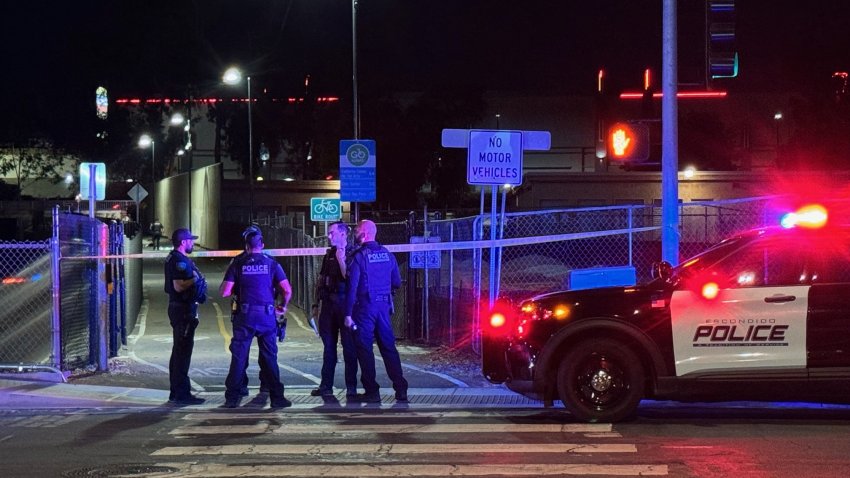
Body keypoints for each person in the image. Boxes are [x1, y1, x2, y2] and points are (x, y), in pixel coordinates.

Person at [220, 229, 292, 409]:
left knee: (238, 357)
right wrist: (282, 306)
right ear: (263, 246)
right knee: (269, 358)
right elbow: (287, 290)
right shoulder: (272, 264)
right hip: (267, 316)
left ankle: (232, 397)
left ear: (246, 246)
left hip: (245, 316)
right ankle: (277, 397)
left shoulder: (238, 263)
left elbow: (225, 291)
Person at [344, 219, 408, 403]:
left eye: (356, 230)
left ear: (364, 234)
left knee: (365, 349)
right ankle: (400, 388)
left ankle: (372, 391)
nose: (354, 233)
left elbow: (352, 288)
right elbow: (396, 281)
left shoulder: (359, 256)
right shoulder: (387, 254)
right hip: (383, 308)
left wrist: (348, 314)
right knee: (388, 348)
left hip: (364, 309)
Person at [310, 221, 359, 398]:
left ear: (343, 234)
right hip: (329, 305)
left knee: (349, 348)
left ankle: (351, 387)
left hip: (346, 305)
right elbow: (321, 279)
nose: (329, 236)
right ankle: (326, 386)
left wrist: (341, 259)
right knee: (328, 348)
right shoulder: (329, 254)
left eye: (332, 233)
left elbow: (349, 277)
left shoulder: (354, 253)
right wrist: (315, 304)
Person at [163, 228, 206, 405]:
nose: (192, 243)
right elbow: (179, 286)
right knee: (182, 352)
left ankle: (177, 391)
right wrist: (195, 279)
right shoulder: (179, 261)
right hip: (183, 310)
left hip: (181, 308)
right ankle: (181, 394)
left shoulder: (175, 258)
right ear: (183, 242)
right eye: (190, 240)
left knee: (179, 351)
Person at [232, 225, 271, 398]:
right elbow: (282, 286)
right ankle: (264, 385)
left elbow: (227, 289)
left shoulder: (238, 261)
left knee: (242, 353)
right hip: (263, 312)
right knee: (264, 353)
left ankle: (241, 387)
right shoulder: (268, 260)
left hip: (244, 312)